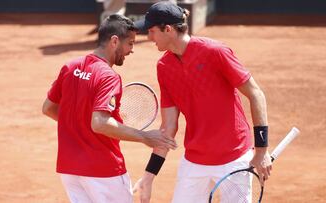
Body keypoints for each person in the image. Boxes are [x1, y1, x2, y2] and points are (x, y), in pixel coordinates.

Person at [133, 1, 272, 202]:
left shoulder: (215, 52)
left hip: (234, 158)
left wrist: (261, 151)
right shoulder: (164, 66)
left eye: (152, 31)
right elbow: (168, 127)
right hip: (195, 162)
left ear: (168, 29)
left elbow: (256, 94)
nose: (149, 37)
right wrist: (149, 176)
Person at [42, 14, 177, 203]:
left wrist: (79, 124)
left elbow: (48, 108)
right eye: (130, 43)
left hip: (69, 170)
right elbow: (100, 123)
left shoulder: (70, 67)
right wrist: (145, 137)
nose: (131, 50)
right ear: (114, 41)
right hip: (102, 170)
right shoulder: (108, 76)